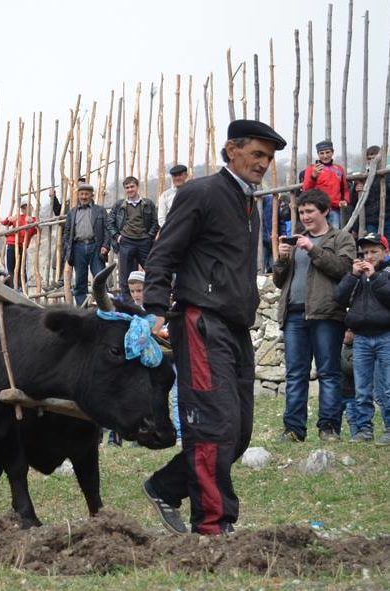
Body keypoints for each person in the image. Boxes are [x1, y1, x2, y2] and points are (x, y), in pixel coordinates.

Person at [142, 119, 287, 535]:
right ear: (231, 150)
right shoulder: (200, 193)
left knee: (238, 432)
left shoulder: (249, 205)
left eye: (269, 158)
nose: (263, 164)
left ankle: (166, 487)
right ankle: (212, 526)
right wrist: (154, 307)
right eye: (257, 154)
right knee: (212, 425)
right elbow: (163, 253)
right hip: (201, 320)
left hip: (236, 326)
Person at [274, 189, 355, 442]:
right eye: (301, 212)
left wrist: (312, 249)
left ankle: (328, 428)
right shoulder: (296, 241)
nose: (305, 216)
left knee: (329, 373)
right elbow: (279, 282)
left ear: (325, 211)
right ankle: (293, 430)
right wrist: (282, 260)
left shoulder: (341, 238)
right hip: (294, 315)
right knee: (295, 374)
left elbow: (344, 270)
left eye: (310, 211)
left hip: (327, 315)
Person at [334, 233, 390, 444]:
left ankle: (389, 428)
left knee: (387, 387)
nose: (369, 256)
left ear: (385, 252)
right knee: (362, 388)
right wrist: (353, 276)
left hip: (386, 336)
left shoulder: (386, 272)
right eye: (365, 252)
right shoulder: (357, 276)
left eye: (374, 251)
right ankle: (364, 429)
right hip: (361, 338)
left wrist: (374, 277)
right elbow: (339, 297)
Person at [108, 176, 158, 303]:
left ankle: (153, 300)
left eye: (132, 187)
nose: (130, 190)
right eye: (127, 187)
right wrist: (117, 237)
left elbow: (155, 222)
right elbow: (110, 223)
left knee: (153, 271)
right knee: (125, 277)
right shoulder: (119, 205)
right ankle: (129, 305)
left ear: (137, 187)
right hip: (126, 242)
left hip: (144, 242)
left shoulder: (147, 204)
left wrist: (149, 237)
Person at [63, 183, 110, 306]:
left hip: (96, 247)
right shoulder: (72, 213)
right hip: (78, 248)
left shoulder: (100, 210)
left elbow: (107, 229)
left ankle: (104, 307)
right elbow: (67, 233)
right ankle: (81, 308)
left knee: (100, 277)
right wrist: (68, 249)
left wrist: (105, 246)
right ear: (78, 195)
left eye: (86, 194)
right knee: (80, 281)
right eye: (81, 194)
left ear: (91, 195)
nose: (84, 197)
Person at [302, 140, 350, 228]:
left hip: (334, 209)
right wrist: (313, 176)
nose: (325, 156)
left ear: (332, 152)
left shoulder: (339, 169)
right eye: (321, 153)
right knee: (318, 235)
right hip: (317, 209)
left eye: (328, 152)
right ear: (318, 154)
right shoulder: (311, 169)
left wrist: (345, 200)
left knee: (333, 236)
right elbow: (306, 190)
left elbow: (345, 189)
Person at [352, 145, 390, 237]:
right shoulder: (363, 177)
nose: (373, 161)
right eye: (369, 159)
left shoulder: (388, 175)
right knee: (372, 245)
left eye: (375, 158)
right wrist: (356, 190)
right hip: (370, 219)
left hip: (388, 217)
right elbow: (354, 202)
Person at [1, 203, 38, 290]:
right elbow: (4, 222)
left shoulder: (33, 219)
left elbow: (38, 229)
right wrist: (9, 218)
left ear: (32, 209)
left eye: (26, 207)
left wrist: (31, 222)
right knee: (11, 268)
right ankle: (13, 287)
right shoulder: (17, 217)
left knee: (22, 268)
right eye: (23, 208)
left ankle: (21, 287)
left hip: (22, 246)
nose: (24, 210)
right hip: (11, 244)